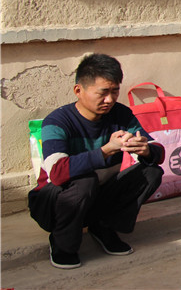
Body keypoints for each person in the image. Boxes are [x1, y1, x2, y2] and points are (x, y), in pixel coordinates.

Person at [28, 53, 165, 269]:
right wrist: (106, 150)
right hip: (53, 205)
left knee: (151, 172)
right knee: (85, 180)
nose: (109, 100)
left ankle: (103, 227)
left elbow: (157, 149)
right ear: (78, 90)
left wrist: (146, 150)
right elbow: (58, 173)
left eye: (114, 91)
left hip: (94, 199)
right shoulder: (57, 121)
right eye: (102, 93)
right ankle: (62, 243)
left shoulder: (120, 115)